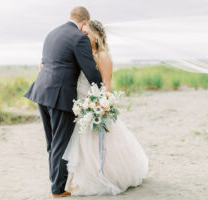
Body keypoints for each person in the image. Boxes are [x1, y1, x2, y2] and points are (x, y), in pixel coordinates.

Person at [62, 20, 148, 196]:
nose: (83, 37)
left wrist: (99, 107)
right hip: (81, 104)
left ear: (96, 35)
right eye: (82, 34)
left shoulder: (103, 55)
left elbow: (106, 86)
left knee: (96, 144)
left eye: (86, 34)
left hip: (94, 106)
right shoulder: (85, 54)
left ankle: (104, 176)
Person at [24, 6, 102, 198]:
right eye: (86, 27)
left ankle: (56, 181)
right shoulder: (79, 38)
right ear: (84, 22)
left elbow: (44, 62)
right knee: (61, 143)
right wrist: (100, 92)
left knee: (52, 142)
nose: (85, 31)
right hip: (60, 96)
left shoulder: (51, 33)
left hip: (41, 91)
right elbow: (90, 71)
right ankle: (57, 189)